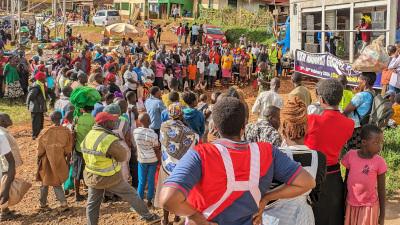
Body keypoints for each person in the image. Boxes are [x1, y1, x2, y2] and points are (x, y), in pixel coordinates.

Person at [159, 97, 315, 225]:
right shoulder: (267, 152)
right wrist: (266, 197)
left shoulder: (200, 154)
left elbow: (168, 199)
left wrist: (196, 217)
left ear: (215, 126)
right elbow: (307, 182)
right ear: (244, 126)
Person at [254, 96, 326, 225]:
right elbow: (315, 195)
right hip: (304, 217)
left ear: (284, 126)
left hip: (275, 218)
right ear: (307, 127)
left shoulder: (274, 156)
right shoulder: (319, 158)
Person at [81, 112, 159, 225]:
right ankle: (148, 217)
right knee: (132, 194)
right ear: (105, 123)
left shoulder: (89, 135)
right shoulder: (107, 139)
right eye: (112, 121)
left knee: (92, 203)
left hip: (92, 176)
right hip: (110, 177)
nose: (115, 122)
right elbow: (123, 156)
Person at [304, 79, 354, 225]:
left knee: (313, 216)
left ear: (321, 99)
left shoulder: (312, 120)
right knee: (333, 215)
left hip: (312, 175)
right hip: (335, 176)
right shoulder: (349, 124)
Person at [155, 103, 196, 225]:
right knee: (179, 193)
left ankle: (166, 219)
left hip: (166, 165)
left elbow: (161, 143)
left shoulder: (163, 126)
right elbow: (191, 149)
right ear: (181, 114)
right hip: (181, 169)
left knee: (165, 192)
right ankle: (177, 218)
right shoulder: (189, 132)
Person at [342, 125, 386, 225]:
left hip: (369, 207)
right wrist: (343, 201)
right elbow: (347, 180)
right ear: (364, 142)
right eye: (376, 143)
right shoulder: (351, 155)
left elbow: (382, 189)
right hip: (351, 204)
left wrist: (382, 215)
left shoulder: (379, 162)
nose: (380, 146)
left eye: (381, 143)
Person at [36, 111, 73, 212]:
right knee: (56, 181)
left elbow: (40, 149)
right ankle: (63, 203)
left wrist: (38, 158)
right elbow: (68, 149)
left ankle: (43, 204)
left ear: (51, 119)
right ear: (61, 118)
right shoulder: (66, 131)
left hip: (46, 160)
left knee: (44, 182)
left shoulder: (45, 132)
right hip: (60, 159)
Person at [344, 72, 376, 150]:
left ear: (364, 81)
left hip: (356, 129)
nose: (358, 82)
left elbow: (346, 111)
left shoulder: (361, 96)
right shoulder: (373, 93)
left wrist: (356, 95)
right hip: (366, 126)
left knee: (353, 152)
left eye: (359, 80)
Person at [0, 113, 23, 221]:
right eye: (7, 117)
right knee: (5, 185)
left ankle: (5, 210)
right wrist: (11, 171)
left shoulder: (3, 132)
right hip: (6, 165)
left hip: (3, 164)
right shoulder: (2, 135)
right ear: (2, 121)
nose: (10, 118)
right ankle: (3, 212)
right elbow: (9, 159)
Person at [133, 113, 159, 207]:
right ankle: (149, 201)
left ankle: (139, 201)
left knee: (141, 181)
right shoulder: (153, 134)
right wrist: (159, 160)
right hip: (152, 160)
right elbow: (156, 148)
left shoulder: (135, 132)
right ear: (149, 121)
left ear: (139, 122)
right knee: (151, 180)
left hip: (142, 160)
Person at [73, 105, 95, 202]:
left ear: (83, 109)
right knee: (90, 171)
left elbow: (73, 132)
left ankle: (77, 194)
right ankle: (90, 192)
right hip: (89, 150)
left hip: (78, 149)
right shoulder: (94, 120)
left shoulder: (77, 118)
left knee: (77, 172)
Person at [26, 71, 47, 140]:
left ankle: (38, 134)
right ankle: (34, 135)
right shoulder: (36, 87)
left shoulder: (40, 84)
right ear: (41, 78)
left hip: (39, 107)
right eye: (44, 77)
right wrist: (38, 102)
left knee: (40, 122)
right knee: (36, 122)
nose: (45, 79)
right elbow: (31, 96)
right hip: (36, 108)